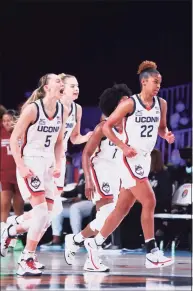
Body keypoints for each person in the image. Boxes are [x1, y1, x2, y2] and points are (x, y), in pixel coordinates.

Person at [84, 60, 175, 270]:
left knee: (122, 209)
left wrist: (166, 134)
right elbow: (106, 126)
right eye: (155, 82)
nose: (158, 86)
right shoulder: (130, 104)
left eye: (160, 83)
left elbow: (161, 128)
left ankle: (94, 245)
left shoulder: (162, 104)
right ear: (144, 82)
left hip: (144, 158)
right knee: (149, 201)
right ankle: (152, 251)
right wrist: (123, 147)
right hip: (128, 158)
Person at [1, 73, 68, 276]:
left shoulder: (62, 110)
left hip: (47, 163)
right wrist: (20, 166)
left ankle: (10, 230)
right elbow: (14, 139)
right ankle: (27, 257)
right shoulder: (32, 109)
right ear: (46, 87)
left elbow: (58, 142)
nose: (61, 83)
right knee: (40, 213)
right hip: (31, 161)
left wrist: (57, 164)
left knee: (47, 216)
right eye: (57, 81)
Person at [64, 84, 134, 271]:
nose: (127, 102)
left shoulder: (129, 127)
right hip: (99, 170)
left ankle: (76, 239)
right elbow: (86, 154)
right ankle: (91, 255)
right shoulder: (103, 127)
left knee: (110, 217)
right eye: (122, 100)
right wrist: (87, 179)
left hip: (117, 173)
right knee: (107, 215)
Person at [40, 73, 93, 248]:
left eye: (77, 85)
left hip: (60, 159)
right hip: (43, 157)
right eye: (72, 86)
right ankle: (15, 228)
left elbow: (75, 138)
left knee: (53, 206)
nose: (76, 88)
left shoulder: (77, 109)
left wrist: (89, 136)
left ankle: (15, 228)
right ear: (62, 89)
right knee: (45, 204)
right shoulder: (52, 106)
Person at [0, 110, 24, 226]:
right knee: (4, 205)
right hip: (5, 175)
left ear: (15, 120)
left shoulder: (22, 132)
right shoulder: (1, 132)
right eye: (4, 121)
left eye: (9, 120)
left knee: (19, 208)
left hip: (20, 174)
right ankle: (2, 233)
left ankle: (18, 235)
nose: (6, 123)